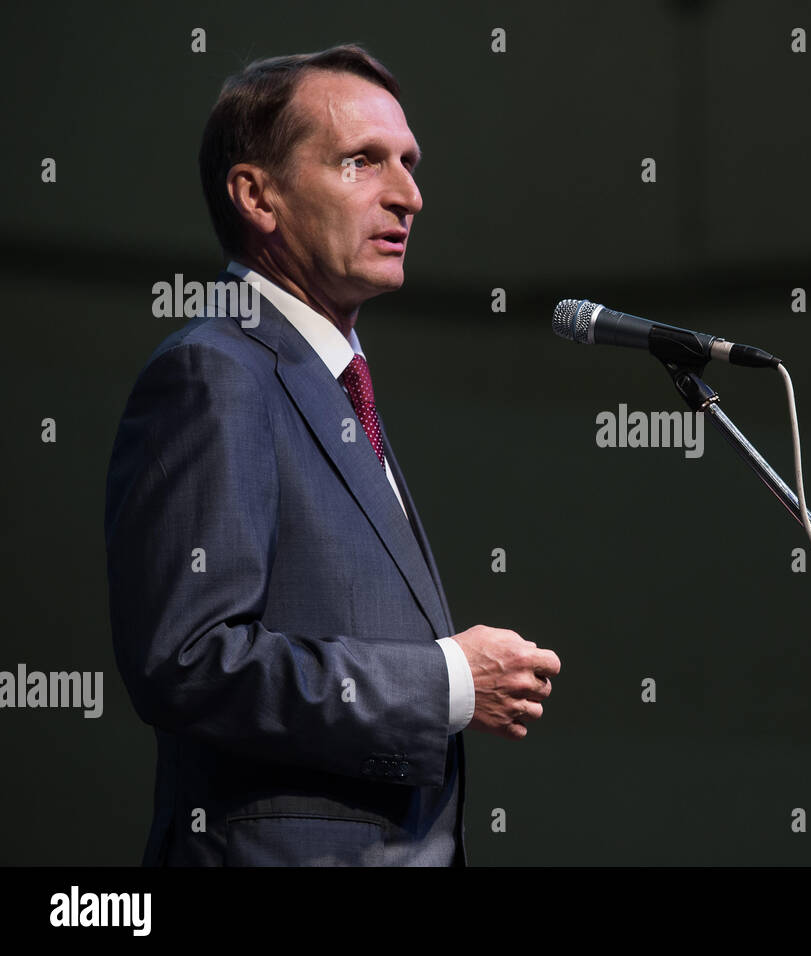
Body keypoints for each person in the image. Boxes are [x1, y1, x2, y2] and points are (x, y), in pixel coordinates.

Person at [104, 44, 560, 866]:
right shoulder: (215, 372)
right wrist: (445, 683)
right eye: (362, 162)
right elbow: (189, 660)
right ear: (257, 195)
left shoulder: (333, 381)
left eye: (409, 164)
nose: (408, 195)